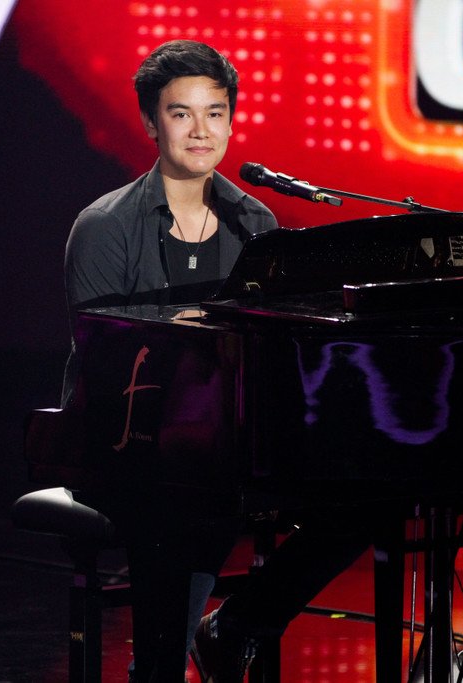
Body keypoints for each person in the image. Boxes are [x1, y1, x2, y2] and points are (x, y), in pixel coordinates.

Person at [62, 40, 373, 683]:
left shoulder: (254, 220)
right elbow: (103, 354)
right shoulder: (104, 225)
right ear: (151, 123)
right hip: (124, 440)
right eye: (181, 114)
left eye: (216, 113)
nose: (201, 131)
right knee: (184, 501)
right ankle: (158, 667)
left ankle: (237, 627)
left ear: (231, 121)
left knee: (364, 496)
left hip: (230, 439)